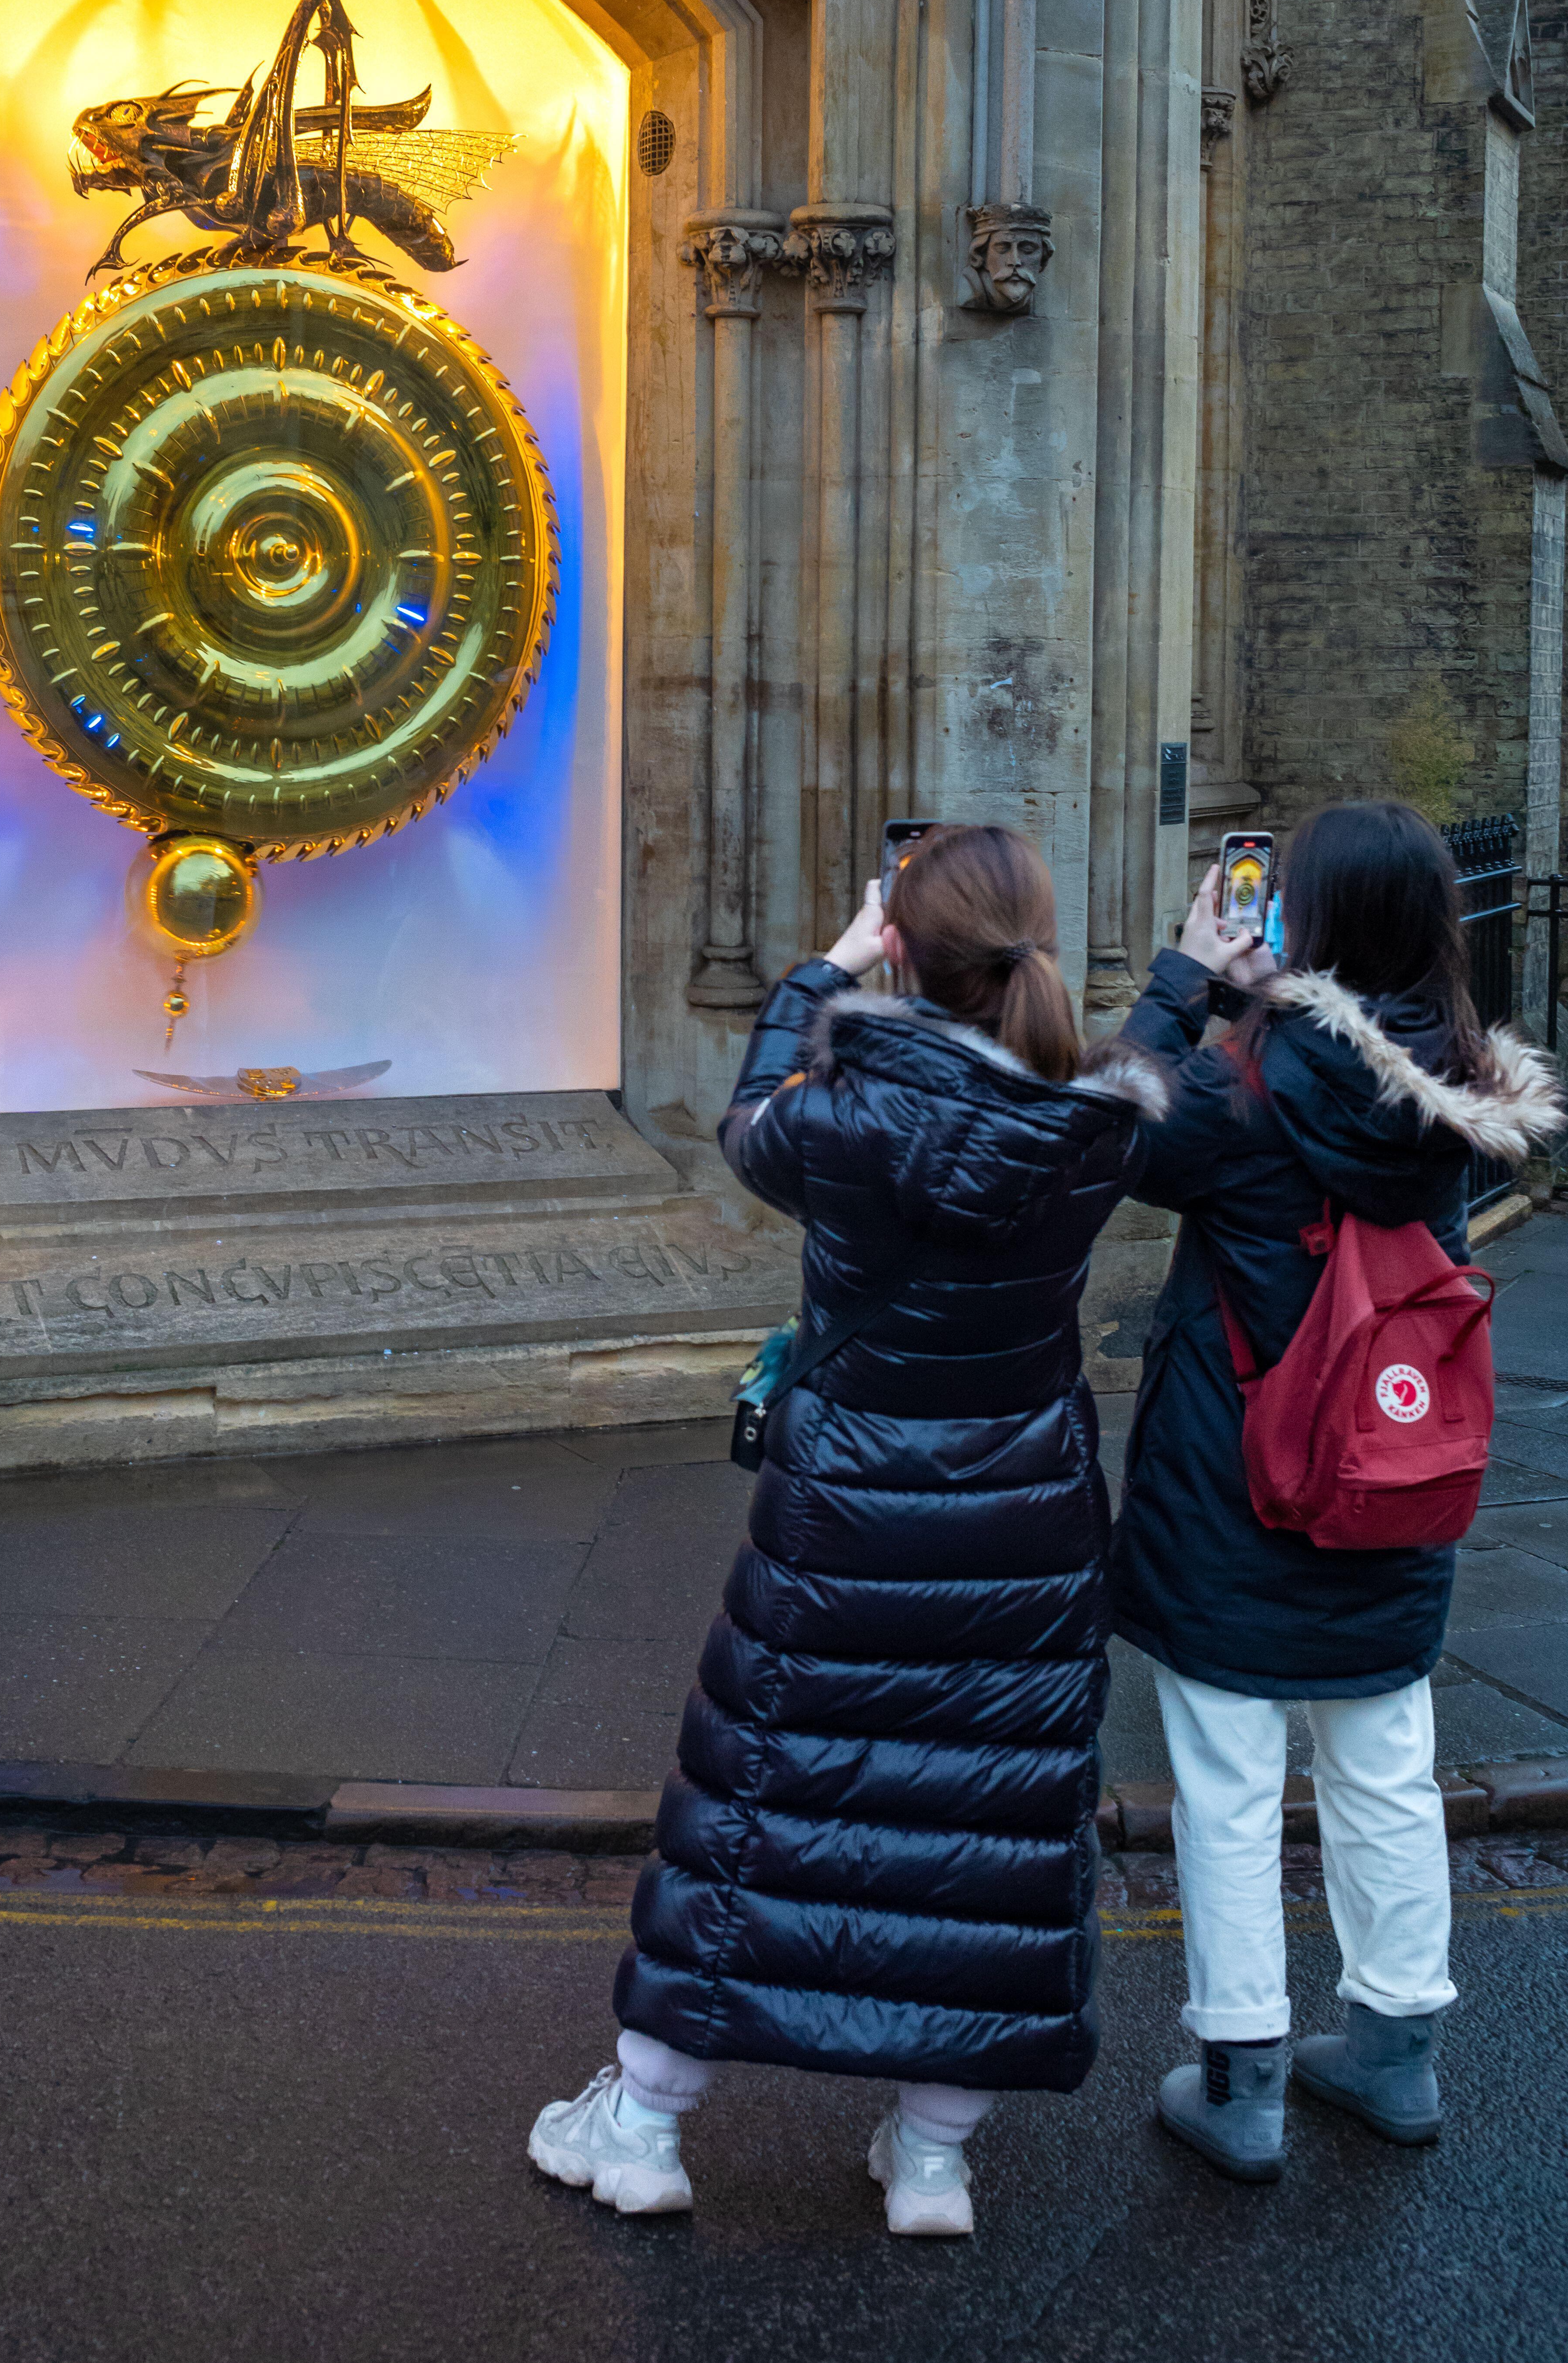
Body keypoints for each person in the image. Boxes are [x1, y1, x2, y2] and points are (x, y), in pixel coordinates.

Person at [529, 824, 1171, 2236]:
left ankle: (641, 2125)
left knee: (760, 1806)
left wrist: (821, 971)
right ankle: (932, 2159)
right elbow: (1127, 1061)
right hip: (1021, 1512)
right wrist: (1186, 972)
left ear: (904, 946)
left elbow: (749, 1116)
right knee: (986, 1835)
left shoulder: (841, 1115)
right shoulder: (1102, 1129)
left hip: (847, 1504)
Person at [1110, 800, 1563, 2182]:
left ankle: (1241, 2076)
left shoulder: (1243, 1089)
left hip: (1230, 1479)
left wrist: (1186, 985)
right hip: (1387, 1471)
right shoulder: (1468, 1084)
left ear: (1300, 920)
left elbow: (1105, 1135)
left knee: (1229, 1780)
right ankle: (1394, 2052)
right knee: (1383, 1767)